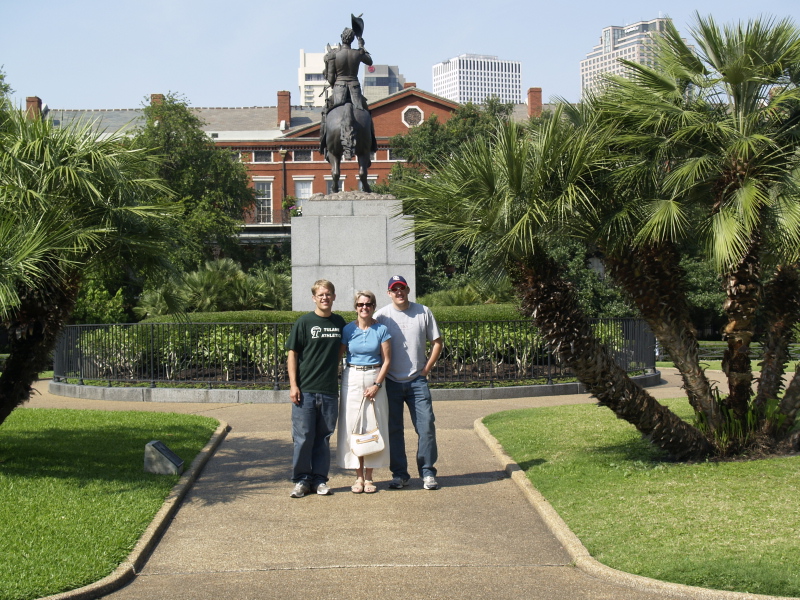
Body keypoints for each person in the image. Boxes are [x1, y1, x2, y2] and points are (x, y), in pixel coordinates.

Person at [374, 275, 443, 490]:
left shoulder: (423, 311)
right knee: (394, 430)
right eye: (394, 289)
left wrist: (426, 369)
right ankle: (400, 474)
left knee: (426, 427)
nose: (399, 292)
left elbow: (437, 342)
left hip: (417, 382)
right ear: (389, 293)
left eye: (402, 288)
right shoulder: (381, 316)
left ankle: (427, 472)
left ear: (408, 289)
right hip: (391, 382)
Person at [286, 279, 346, 498]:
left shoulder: (339, 323)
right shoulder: (304, 322)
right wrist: (294, 385)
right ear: (314, 298)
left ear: (334, 296)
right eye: (320, 294)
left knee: (323, 437)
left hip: (329, 390)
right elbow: (292, 354)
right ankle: (302, 480)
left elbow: (341, 350)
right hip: (306, 390)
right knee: (303, 437)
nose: (324, 298)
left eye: (328, 294)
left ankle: (320, 479)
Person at [337, 291, 392, 493]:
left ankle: (369, 477)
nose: (364, 308)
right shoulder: (347, 330)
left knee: (373, 425)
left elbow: (387, 360)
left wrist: (377, 384)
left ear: (373, 306)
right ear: (356, 307)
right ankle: (358, 476)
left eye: (368, 304)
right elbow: (338, 355)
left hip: (374, 377)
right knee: (352, 425)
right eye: (360, 304)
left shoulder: (381, 329)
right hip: (351, 377)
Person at [319, 24, 378, 157]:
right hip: (355, 90)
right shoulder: (357, 53)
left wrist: (331, 78)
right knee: (367, 113)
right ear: (351, 39)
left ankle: (323, 143)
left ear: (342, 38)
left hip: (339, 89)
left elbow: (330, 79)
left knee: (325, 112)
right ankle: (372, 143)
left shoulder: (334, 55)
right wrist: (361, 45)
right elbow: (369, 61)